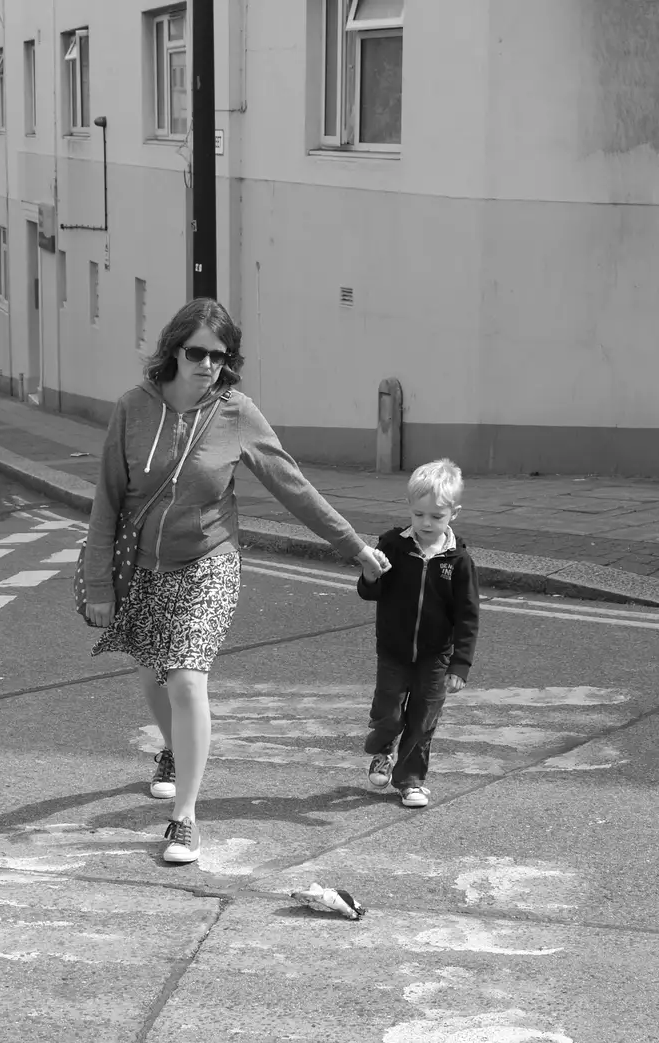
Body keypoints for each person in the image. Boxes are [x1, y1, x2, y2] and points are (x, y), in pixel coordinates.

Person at [82, 298, 391, 865]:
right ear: (174, 349)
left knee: (185, 678)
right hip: (143, 567)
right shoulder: (132, 409)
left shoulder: (236, 412)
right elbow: (107, 499)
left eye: (220, 357)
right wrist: (100, 584)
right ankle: (175, 752)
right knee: (152, 673)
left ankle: (184, 820)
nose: (207, 365)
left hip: (209, 562)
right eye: (197, 352)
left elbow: (292, 485)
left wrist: (354, 547)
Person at [356, 458, 481, 809]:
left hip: (436, 656)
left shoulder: (459, 562)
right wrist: (370, 574)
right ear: (409, 509)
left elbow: (468, 615)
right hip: (394, 652)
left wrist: (460, 665)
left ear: (454, 513)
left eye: (436, 517)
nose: (426, 523)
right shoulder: (393, 545)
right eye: (419, 514)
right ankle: (382, 748)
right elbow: (370, 592)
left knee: (423, 720)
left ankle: (410, 780)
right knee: (389, 713)